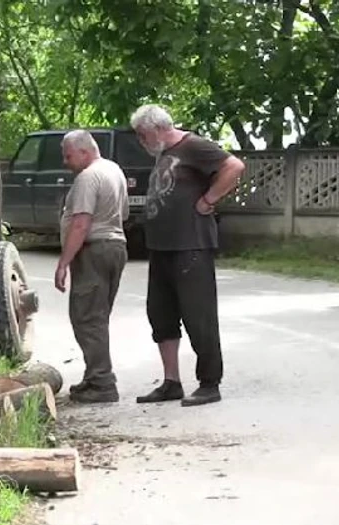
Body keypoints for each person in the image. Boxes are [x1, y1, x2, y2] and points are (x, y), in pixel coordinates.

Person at [129, 104, 244, 407]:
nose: (141, 141)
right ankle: (171, 382)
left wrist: (209, 199)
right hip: (161, 246)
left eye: (142, 134)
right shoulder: (164, 153)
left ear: (157, 128)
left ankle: (209, 382)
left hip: (190, 245)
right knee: (160, 315)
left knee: (198, 316)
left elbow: (234, 166)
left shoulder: (193, 146)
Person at [55, 129, 130, 403]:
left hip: (94, 250)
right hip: (115, 247)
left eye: (68, 156)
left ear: (84, 151)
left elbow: (81, 224)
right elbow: (123, 213)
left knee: (87, 318)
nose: (65, 162)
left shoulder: (88, 177)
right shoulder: (114, 170)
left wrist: (64, 263)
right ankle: (93, 375)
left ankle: (102, 383)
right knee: (97, 315)